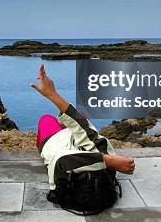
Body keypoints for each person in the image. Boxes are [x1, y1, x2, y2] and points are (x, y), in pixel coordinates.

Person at [31, 64, 135, 215]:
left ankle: (62, 123)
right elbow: (84, 128)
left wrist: (109, 161)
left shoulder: (60, 180)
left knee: (46, 119)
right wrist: (52, 95)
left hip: (53, 140)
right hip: (76, 136)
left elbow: (62, 159)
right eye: (95, 169)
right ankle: (65, 122)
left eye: (84, 170)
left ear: (71, 183)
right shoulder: (108, 166)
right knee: (81, 119)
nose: (90, 167)